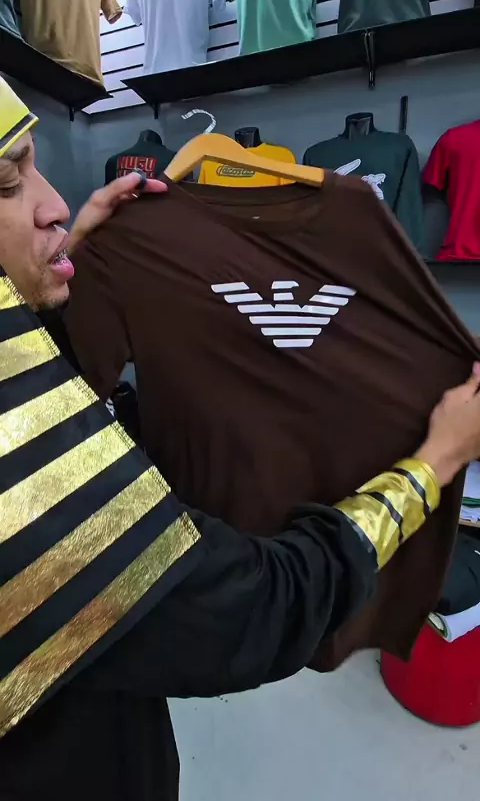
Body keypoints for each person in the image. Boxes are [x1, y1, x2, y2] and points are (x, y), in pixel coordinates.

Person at [1, 77, 480, 800]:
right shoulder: (26, 492)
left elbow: (59, 384)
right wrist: (435, 462)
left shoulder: (356, 215)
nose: (58, 204)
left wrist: (81, 255)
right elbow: (256, 609)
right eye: (9, 181)